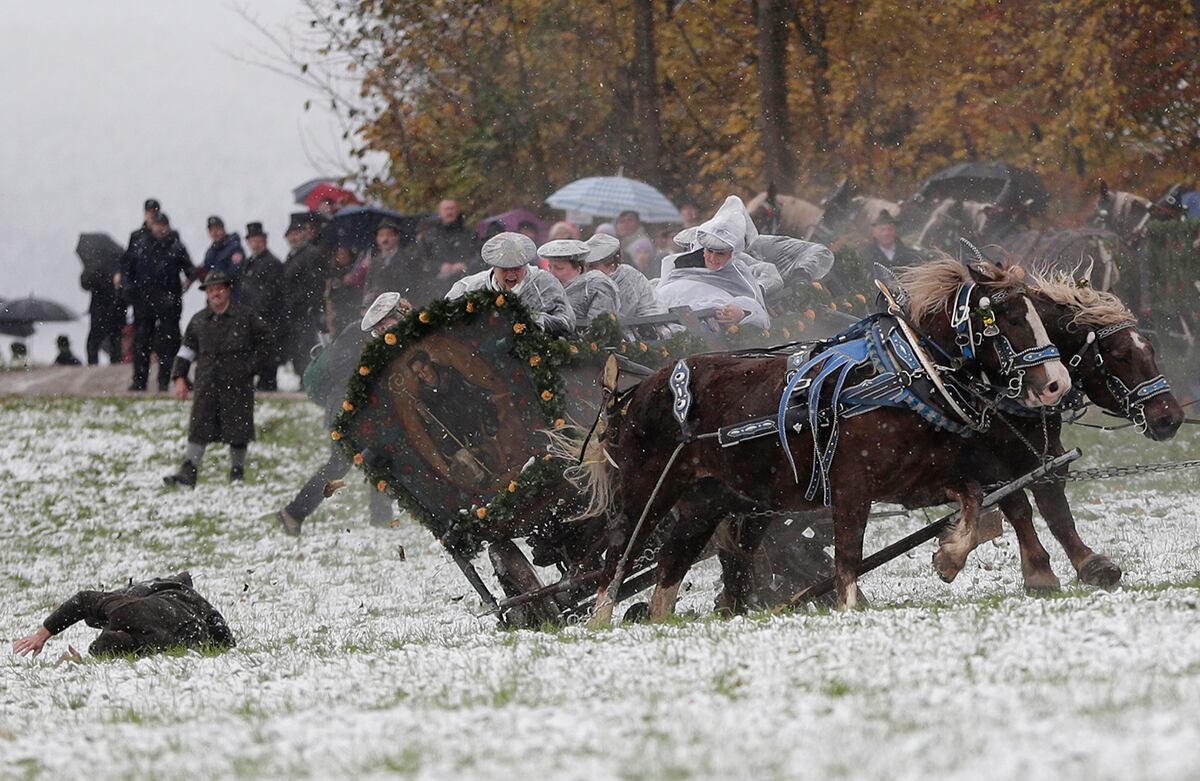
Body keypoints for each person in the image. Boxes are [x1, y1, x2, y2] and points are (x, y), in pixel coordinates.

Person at [277, 293, 410, 536]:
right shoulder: (356, 334)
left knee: (379, 458)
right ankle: (293, 513)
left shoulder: (385, 336)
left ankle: (381, 519)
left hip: (363, 412)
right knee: (339, 465)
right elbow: (341, 369)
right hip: (345, 411)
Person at [164, 271, 275, 487]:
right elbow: (186, 350)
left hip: (238, 383)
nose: (215, 293)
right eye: (211, 289)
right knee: (199, 426)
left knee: (238, 428)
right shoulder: (198, 320)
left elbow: (267, 342)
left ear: (228, 290)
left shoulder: (246, 317)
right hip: (206, 382)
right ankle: (188, 472)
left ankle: (237, 473)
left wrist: (250, 368)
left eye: (219, 288)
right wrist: (179, 377)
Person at [11, 572, 234, 660]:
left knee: (224, 640)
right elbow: (82, 599)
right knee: (91, 616)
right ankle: (178, 578)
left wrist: (43, 634)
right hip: (162, 600)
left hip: (182, 599)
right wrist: (42, 635)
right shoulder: (128, 615)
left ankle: (180, 579)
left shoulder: (162, 641)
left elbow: (83, 600)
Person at [657, 195, 771, 330]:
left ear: (731, 254)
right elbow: (659, 299)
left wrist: (742, 313)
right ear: (703, 249)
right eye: (710, 251)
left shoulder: (738, 275)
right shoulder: (680, 266)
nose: (713, 258)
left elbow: (759, 312)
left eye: (720, 253)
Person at [120, 212, 196, 391]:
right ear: (151, 226)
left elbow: (189, 268)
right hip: (144, 304)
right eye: (157, 224)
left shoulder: (176, 247)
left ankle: (164, 381)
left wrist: (190, 279)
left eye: (164, 225)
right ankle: (140, 380)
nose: (161, 228)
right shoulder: (140, 246)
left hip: (169, 305)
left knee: (168, 344)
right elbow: (127, 270)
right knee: (141, 343)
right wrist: (128, 288)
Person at [446, 232, 575, 336]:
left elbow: (567, 322)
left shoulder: (545, 284)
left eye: (517, 268)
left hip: (533, 357)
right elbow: (444, 315)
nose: (511, 274)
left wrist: (534, 319)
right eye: (505, 269)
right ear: (494, 266)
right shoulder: (469, 287)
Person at [238, 222, 287, 391]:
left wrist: (258, 309)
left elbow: (273, 292)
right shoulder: (249, 262)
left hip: (267, 316)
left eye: (258, 240)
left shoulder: (272, 263)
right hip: (251, 315)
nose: (255, 244)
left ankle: (268, 382)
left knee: (267, 352)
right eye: (252, 241)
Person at [281, 213, 328, 376]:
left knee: (306, 346)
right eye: (291, 234)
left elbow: (314, 284)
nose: (293, 238)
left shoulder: (311, 254)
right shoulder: (293, 255)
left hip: (305, 310)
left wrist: (308, 304)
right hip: (294, 311)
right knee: (297, 347)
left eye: (297, 233)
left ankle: (307, 377)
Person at [540, 238, 620, 327]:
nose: (552, 273)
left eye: (559, 268)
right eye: (550, 267)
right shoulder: (545, 289)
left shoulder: (596, 287)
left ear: (579, 269)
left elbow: (599, 328)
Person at [584, 233, 664, 320]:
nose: (588, 270)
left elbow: (650, 310)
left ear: (610, 264)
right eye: (586, 266)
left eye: (592, 266)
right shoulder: (586, 282)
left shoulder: (630, 277)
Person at [80, 254, 125, 365]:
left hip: (108, 309)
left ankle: (99, 365)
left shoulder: (99, 266)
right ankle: (111, 364)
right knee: (110, 341)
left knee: (105, 341)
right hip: (109, 309)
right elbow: (86, 284)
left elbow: (86, 284)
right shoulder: (118, 264)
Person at [420, 198, 477, 282]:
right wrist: (439, 266)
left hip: (466, 279)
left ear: (457, 211)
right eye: (446, 209)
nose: (449, 212)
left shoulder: (469, 233)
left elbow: (478, 255)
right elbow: (422, 260)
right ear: (439, 212)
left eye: (452, 208)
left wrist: (466, 265)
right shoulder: (429, 236)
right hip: (437, 284)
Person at [201, 216, 246, 283]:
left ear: (223, 229)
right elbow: (206, 269)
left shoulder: (235, 247)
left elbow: (236, 270)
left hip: (233, 289)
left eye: (217, 229)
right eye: (212, 230)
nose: (215, 233)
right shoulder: (210, 252)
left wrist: (217, 276)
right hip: (217, 290)